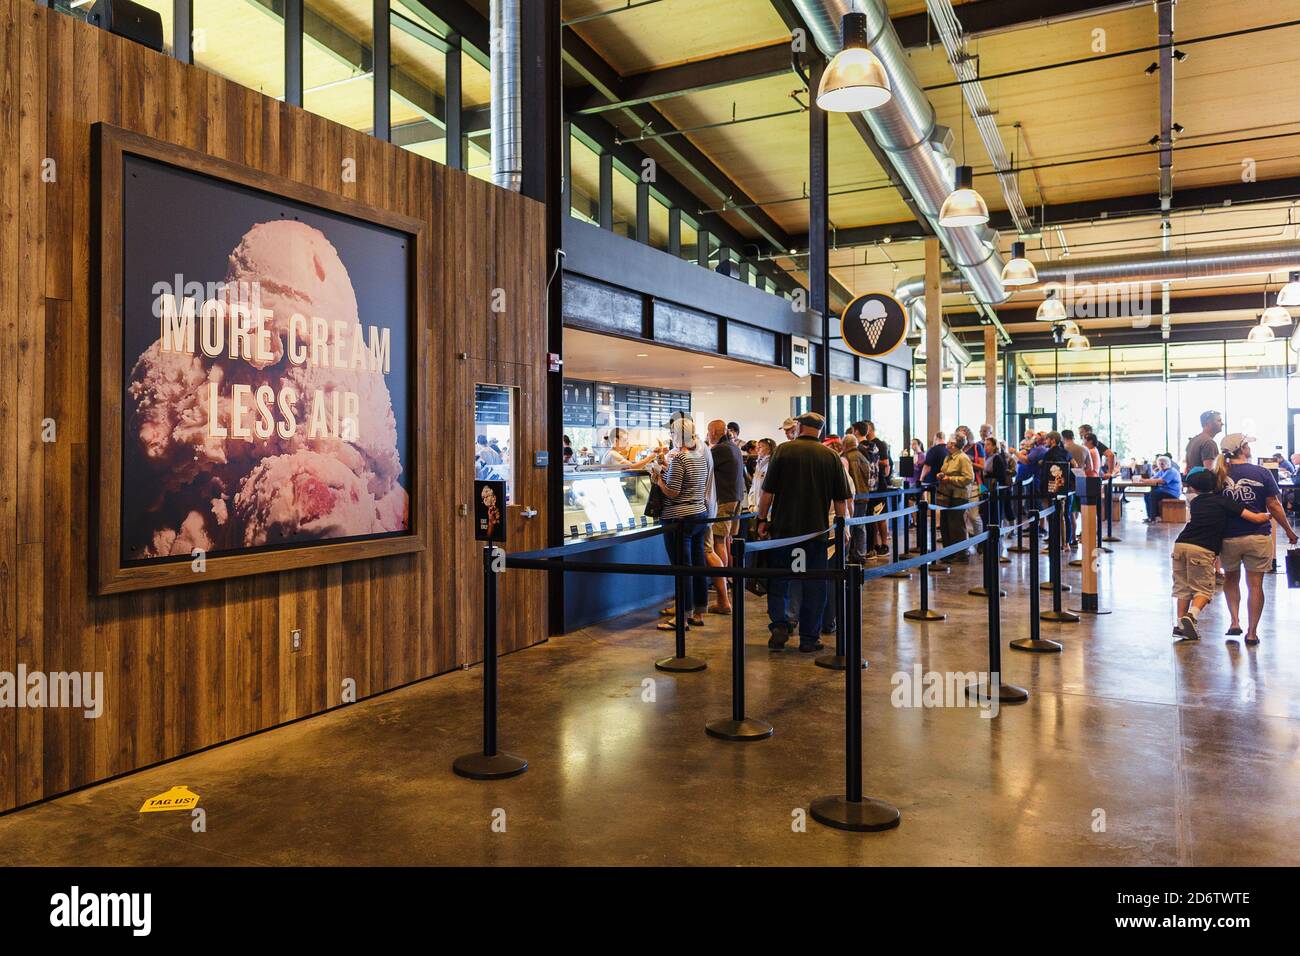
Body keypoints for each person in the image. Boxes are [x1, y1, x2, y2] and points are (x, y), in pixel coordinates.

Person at [755, 411, 850, 653]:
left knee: (780, 581)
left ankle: (780, 624)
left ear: (799, 427)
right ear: (819, 429)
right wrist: (842, 527)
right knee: (814, 586)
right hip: (816, 535)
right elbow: (841, 500)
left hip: (784, 533)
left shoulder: (783, 451)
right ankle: (809, 638)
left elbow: (768, 493)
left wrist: (761, 520)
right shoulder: (831, 456)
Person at [1170, 468, 1271, 641]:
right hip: (1202, 548)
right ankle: (1192, 615)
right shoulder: (1223, 501)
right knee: (1203, 589)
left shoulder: (1195, 503)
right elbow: (1254, 518)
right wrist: (1267, 515)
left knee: (1182, 588)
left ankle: (1180, 625)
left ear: (1194, 489)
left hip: (1180, 545)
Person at [1217, 434, 1298, 644]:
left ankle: (1234, 621)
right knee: (1255, 585)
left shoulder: (1218, 474)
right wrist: (1289, 531)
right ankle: (1252, 633)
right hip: (1257, 535)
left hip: (1227, 537)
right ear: (1242, 448)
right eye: (1247, 445)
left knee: (1231, 579)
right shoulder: (1261, 472)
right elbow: (1274, 505)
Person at [652, 416, 711, 631]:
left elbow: (673, 492)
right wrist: (666, 469)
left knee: (681, 567)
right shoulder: (699, 455)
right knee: (697, 565)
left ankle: (681, 617)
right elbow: (688, 482)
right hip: (699, 515)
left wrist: (658, 478)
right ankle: (698, 612)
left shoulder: (679, 458)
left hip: (679, 518)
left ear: (677, 435)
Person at [706, 419, 744, 614]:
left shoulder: (719, 450)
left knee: (717, 542)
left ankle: (723, 593)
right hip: (737, 498)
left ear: (713, 432)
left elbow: (704, 468)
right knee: (726, 541)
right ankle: (726, 581)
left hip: (725, 500)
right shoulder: (734, 447)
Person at [936, 433, 976, 561]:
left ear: (953, 444)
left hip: (959, 496)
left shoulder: (963, 458)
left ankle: (961, 554)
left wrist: (950, 479)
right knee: (945, 524)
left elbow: (969, 478)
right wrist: (942, 475)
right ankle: (948, 553)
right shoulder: (948, 457)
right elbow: (946, 471)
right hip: (946, 496)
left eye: (948, 441)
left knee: (956, 525)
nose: (946, 443)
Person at [854, 420, 892, 556]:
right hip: (871, 486)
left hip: (879, 486)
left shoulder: (879, 444)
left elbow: (886, 464)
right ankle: (874, 545)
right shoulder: (866, 446)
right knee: (871, 517)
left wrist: (873, 461)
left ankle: (884, 544)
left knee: (880, 515)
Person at [843, 433, 873, 564]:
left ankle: (844, 556)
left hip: (852, 498)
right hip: (864, 496)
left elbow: (846, 480)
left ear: (845, 445)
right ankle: (861, 553)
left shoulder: (846, 458)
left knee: (847, 527)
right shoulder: (863, 457)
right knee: (860, 526)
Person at [1133, 454, 1181, 523]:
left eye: (1162, 463)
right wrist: (1145, 480)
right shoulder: (1161, 471)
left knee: (1154, 494)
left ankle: (1155, 517)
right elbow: (1153, 478)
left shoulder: (1171, 471)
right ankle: (1150, 516)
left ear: (1168, 464)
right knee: (1147, 494)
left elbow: (1162, 481)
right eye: (1159, 463)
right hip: (1164, 491)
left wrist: (1144, 480)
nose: (1160, 465)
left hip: (1173, 493)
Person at [1184, 410, 1223, 476]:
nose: (1222, 423)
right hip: (1204, 485)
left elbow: (1187, 468)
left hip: (1193, 484)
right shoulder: (1208, 442)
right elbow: (1209, 473)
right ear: (1208, 423)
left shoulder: (1193, 440)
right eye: (1219, 421)